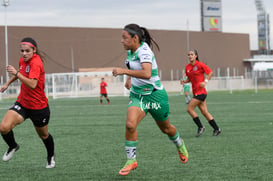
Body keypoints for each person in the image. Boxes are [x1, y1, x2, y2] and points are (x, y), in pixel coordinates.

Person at [112, 23, 188, 176]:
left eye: (124, 38)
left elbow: (146, 73)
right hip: (138, 96)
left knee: (166, 129)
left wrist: (122, 71)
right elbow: (133, 67)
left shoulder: (144, 51)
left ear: (135, 38)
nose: (121, 41)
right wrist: (128, 79)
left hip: (155, 96)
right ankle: (131, 160)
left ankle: (180, 144)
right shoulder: (131, 51)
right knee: (130, 125)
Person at [0, 37, 55, 168]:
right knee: (3, 127)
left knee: (43, 135)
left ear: (34, 50)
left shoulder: (36, 63)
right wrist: (7, 83)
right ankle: (13, 146)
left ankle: (51, 156)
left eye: (27, 51)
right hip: (23, 103)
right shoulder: (22, 60)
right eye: (22, 51)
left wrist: (17, 74)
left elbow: (33, 84)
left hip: (39, 107)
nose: (24, 53)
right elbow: (20, 73)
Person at [181, 49, 221, 137]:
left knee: (189, 109)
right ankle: (217, 129)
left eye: (192, 54)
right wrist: (184, 81)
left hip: (201, 93)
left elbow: (210, 72)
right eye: (188, 54)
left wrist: (205, 81)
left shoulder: (200, 64)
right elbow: (189, 79)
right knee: (205, 112)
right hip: (196, 92)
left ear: (196, 56)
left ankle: (200, 127)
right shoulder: (187, 67)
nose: (190, 56)